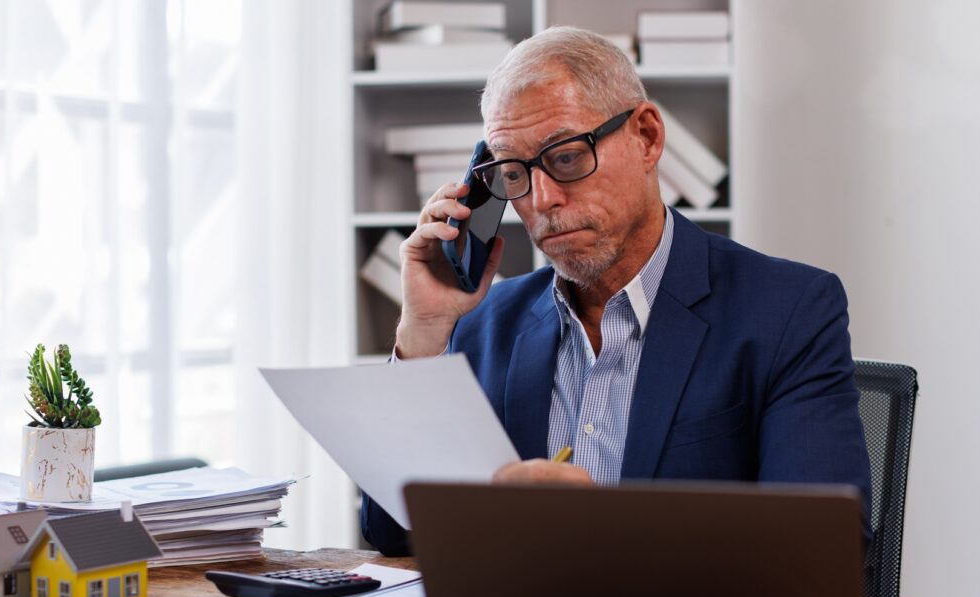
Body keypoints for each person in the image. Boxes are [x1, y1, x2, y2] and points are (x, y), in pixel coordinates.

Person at [361, 27, 871, 556]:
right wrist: (422, 334)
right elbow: (392, 532)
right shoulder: (484, 324)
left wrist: (614, 530)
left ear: (647, 137)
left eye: (565, 157)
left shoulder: (787, 310)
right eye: (513, 172)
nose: (542, 200)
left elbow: (826, 548)